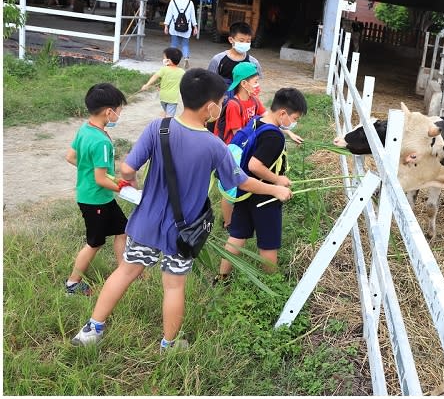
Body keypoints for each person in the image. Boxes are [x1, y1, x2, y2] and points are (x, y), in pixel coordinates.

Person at [70, 69, 293, 350]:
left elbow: (127, 168)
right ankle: (169, 344)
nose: (221, 108)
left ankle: (92, 331)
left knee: (125, 271)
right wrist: (276, 189)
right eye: (221, 103)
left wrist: (135, 183)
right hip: (183, 232)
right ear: (211, 107)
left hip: (146, 223)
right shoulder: (215, 146)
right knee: (174, 286)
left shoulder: (157, 127)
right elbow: (242, 181)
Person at [215, 88, 307, 285]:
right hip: (265, 195)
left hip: (245, 190)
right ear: (282, 113)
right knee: (269, 243)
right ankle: (271, 286)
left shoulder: (258, 121)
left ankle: (221, 278)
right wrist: (277, 180)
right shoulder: (274, 137)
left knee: (237, 234)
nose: (294, 122)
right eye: (294, 117)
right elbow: (255, 165)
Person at [64, 83, 129, 295]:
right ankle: (72, 284)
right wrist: (122, 188)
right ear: (109, 112)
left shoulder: (85, 129)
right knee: (94, 242)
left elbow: (71, 157)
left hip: (97, 196)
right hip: (96, 200)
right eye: (119, 110)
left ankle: (123, 271)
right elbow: (101, 179)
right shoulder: (102, 142)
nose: (119, 114)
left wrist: (96, 174)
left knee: (122, 229)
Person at [214, 62, 266, 230]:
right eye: (255, 81)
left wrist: (286, 130)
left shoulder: (254, 101)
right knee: (230, 187)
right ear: (244, 83)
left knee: (241, 183)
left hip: (246, 149)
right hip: (233, 151)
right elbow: (238, 134)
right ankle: (228, 223)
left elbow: (266, 116)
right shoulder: (233, 105)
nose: (257, 86)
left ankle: (241, 214)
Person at [207, 21, 263, 88]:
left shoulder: (253, 63)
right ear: (231, 39)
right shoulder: (218, 60)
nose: (245, 43)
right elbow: (210, 82)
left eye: (248, 41)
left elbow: (255, 84)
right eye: (241, 41)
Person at [140, 47, 186, 118]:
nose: (163, 59)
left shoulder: (164, 69)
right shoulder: (182, 72)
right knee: (169, 117)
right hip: (172, 99)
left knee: (167, 113)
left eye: (164, 57)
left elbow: (155, 76)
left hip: (163, 97)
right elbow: (186, 82)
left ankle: (165, 115)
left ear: (169, 60)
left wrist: (147, 85)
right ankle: (166, 124)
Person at [163, 0, 198, 69]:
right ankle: (186, 58)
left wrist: (166, 26)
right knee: (185, 44)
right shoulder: (190, 3)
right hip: (186, 28)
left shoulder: (173, 1)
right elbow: (193, 16)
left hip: (174, 27)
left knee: (174, 44)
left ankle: (171, 61)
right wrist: (195, 27)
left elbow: (169, 15)